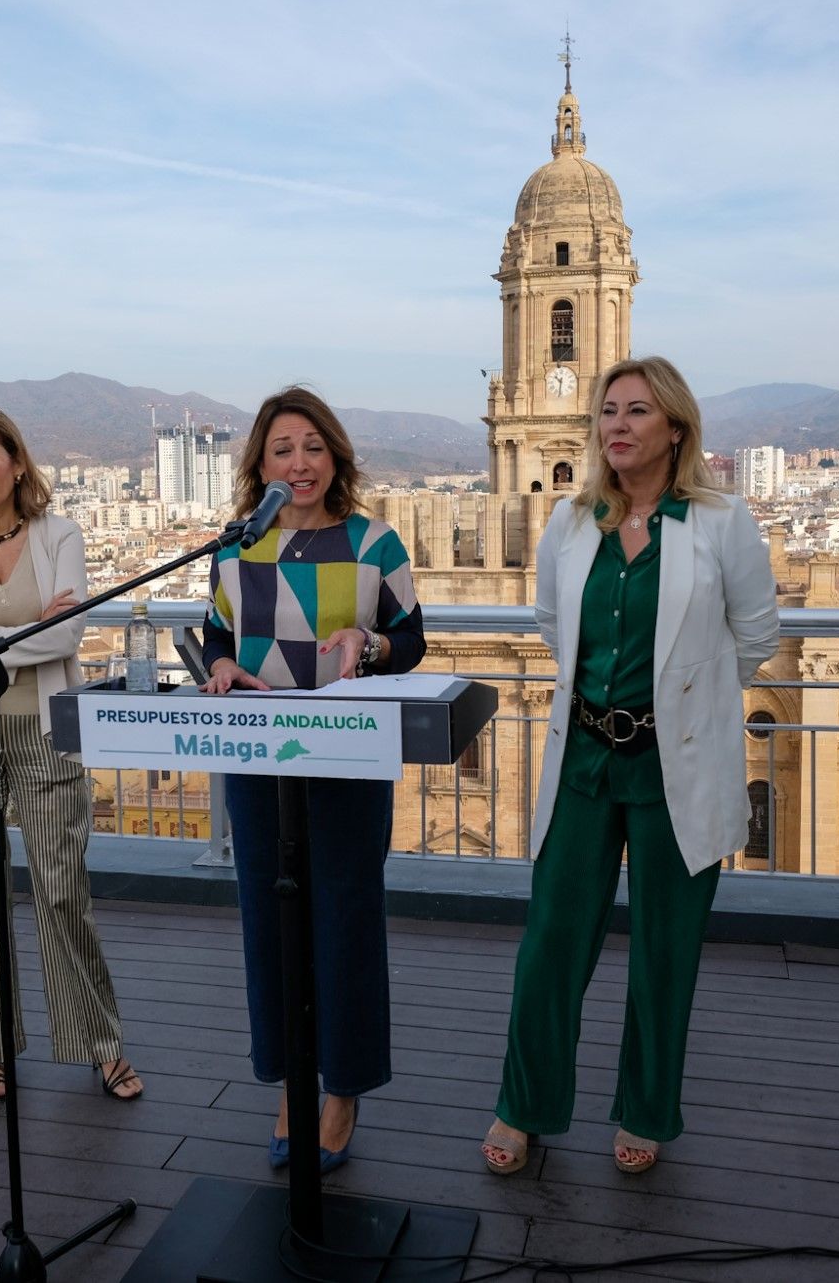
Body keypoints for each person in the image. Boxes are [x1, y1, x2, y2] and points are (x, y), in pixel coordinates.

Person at [480, 356, 778, 1176]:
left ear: (674, 428)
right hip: (582, 757)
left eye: (636, 411)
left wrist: (684, 701)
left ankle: (645, 1108)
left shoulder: (722, 521)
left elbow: (754, 636)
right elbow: (550, 618)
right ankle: (525, 1102)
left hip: (673, 766)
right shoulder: (572, 523)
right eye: (608, 411)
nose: (615, 424)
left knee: (664, 947)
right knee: (551, 941)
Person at [199, 386, 425, 1173]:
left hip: (346, 755)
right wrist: (220, 662)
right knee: (269, 918)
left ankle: (343, 1089)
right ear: (259, 465)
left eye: (312, 447)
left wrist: (369, 643)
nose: (298, 463)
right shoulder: (233, 548)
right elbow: (214, 636)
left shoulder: (375, 542)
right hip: (258, 761)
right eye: (281, 449)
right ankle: (293, 1079)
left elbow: (412, 638)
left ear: (336, 456)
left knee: (346, 917)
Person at [0, 407, 143, 1104]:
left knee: (62, 889)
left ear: (16, 461)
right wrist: (20, 632)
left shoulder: (60, 534)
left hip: (43, 732)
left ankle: (99, 1044)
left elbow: (66, 638)